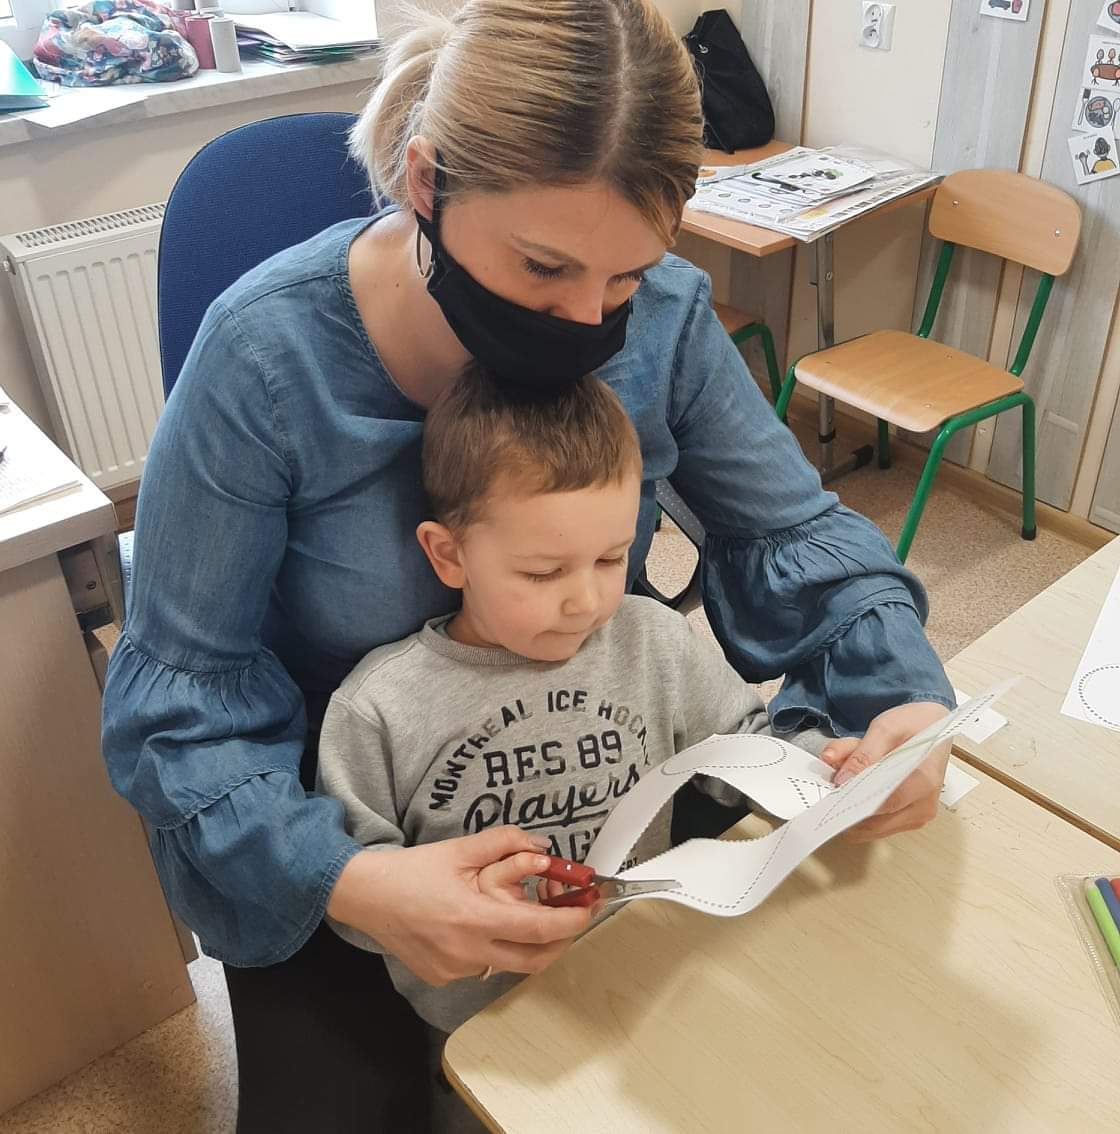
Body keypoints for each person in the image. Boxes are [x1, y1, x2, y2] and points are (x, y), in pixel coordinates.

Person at [101, 1, 955, 1129]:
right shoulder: (264, 361)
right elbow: (180, 709)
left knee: (783, 1037)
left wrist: (898, 701)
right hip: (348, 819)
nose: (588, 320)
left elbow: (793, 537)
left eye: (625, 276)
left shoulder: (662, 320)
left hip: (606, 765)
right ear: (426, 185)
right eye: (545, 266)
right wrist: (351, 880)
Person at [315, 367, 840, 1118]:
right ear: (448, 555)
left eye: (611, 557)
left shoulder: (653, 642)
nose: (588, 600)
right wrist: (428, 906)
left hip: (646, 978)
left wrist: (825, 765)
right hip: (479, 1029)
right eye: (542, 572)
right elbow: (349, 890)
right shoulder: (378, 708)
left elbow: (742, 750)